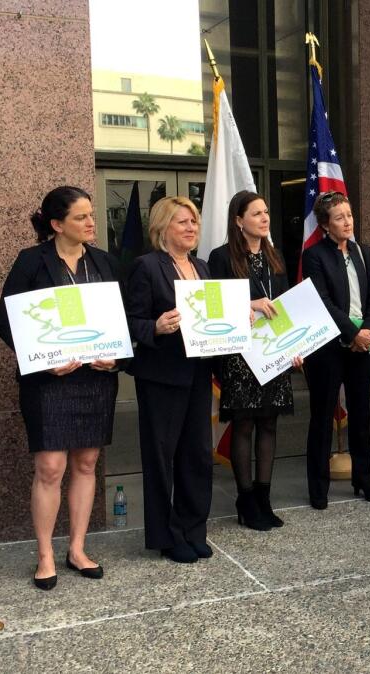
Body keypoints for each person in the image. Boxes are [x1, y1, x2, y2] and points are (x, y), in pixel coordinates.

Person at [0, 186, 119, 589]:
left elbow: (120, 319)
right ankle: (45, 554)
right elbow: (7, 322)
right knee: (50, 467)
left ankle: (77, 549)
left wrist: (117, 357)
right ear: (56, 224)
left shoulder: (102, 261)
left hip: (95, 378)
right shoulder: (32, 261)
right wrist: (44, 361)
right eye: (81, 217)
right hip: (49, 382)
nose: (90, 222)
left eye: (91, 215)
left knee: (86, 464)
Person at [125, 195, 215, 562]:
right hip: (162, 376)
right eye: (183, 222)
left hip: (198, 371)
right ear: (163, 227)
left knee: (197, 454)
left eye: (194, 221)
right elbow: (130, 320)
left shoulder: (204, 268)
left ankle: (194, 528)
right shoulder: (146, 267)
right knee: (163, 457)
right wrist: (155, 327)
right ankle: (167, 535)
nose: (192, 228)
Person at [206, 191, 300, 531]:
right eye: (256, 213)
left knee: (270, 423)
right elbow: (214, 306)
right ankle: (245, 500)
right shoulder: (221, 257)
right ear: (238, 220)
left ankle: (264, 497)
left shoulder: (275, 256)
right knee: (244, 424)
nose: (264, 218)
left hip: (274, 351)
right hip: (240, 356)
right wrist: (251, 303)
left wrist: (295, 346)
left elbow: (286, 305)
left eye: (266, 212)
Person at [301, 191, 370, 510]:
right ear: (325, 224)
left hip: (365, 343)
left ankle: (365, 480)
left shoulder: (364, 251)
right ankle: (318, 487)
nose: (347, 221)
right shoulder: (314, 255)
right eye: (339, 217)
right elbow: (322, 301)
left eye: (349, 215)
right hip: (329, 347)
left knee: (361, 414)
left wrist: (369, 331)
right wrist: (351, 334)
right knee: (322, 416)